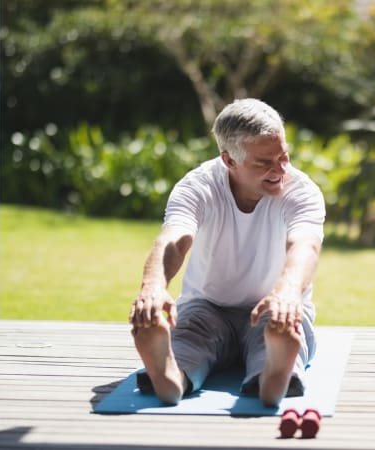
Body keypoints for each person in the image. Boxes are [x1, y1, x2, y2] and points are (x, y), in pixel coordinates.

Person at [128, 98, 325, 407]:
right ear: (229, 160)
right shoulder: (198, 186)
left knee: (279, 327)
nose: (280, 169)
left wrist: (286, 293)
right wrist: (153, 287)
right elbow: (175, 238)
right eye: (264, 163)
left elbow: (305, 245)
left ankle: (272, 377)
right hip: (207, 308)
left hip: (272, 309)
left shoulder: (301, 191)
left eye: (283, 156)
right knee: (188, 341)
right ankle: (170, 377)